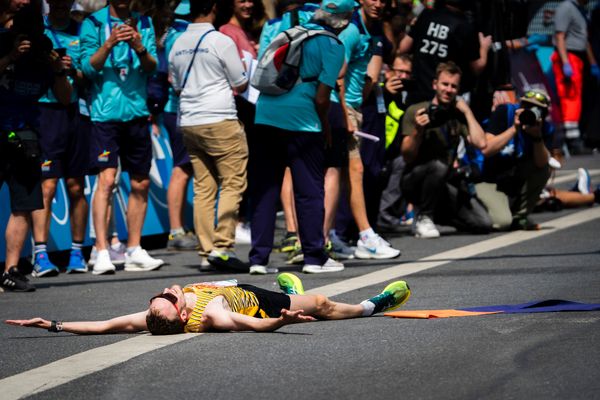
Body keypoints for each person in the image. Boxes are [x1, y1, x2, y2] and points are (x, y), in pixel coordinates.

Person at [248, 0, 350, 274]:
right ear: (345, 20)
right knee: (308, 191)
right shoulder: (333, 45)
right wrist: (326, 127)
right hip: (302, 124)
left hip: (265, 117)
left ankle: (258, 260)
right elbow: (321, 96)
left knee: (265, 190)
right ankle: (314, 258)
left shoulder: (294, 32)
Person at [4, 273, 411, 334]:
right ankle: (372, 305)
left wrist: (52, 323)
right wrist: (283, 320)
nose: (168, 291)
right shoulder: (210, 316)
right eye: (170, 298)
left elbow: (103, 325)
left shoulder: (152, 316)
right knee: (320, 303)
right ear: (182, 315)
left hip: (234, 283)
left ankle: (291, 286)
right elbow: (250, 326)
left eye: (160, 296)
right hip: (259, 303)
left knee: (295, 291)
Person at [80, 0, 163, 274]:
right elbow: (88, 69)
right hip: (105, 115)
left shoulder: (144, 22)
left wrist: (139, 46)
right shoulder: (92, 24)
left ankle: (134, 249)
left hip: (137, 113)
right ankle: (101, 250)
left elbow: (152, 67)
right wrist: (110, 43)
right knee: (105, 181)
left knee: (140, 183)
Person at [169, 0, 249, 272]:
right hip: (219, 118)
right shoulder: (220, 40)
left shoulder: (177, 42)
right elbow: (241, 82)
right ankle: (223, 248)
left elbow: (176, 86)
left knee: (203, 188)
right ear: (214, 6)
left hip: (190, 120)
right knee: (232, 182)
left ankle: (206, 252)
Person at [1, 3, 72, 291]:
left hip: (26, 136)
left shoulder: (45, 51)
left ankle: (11, 270)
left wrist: (58, 71)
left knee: (24, 206)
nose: (30, 39)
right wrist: (10, 55)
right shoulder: (3, 42)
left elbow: (65, 99)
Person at [329, 0, 401, 261]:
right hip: (345, 107)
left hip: (354, 107)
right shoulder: (352, 31)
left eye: (383, 0)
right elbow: (337, 74)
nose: (378, 4)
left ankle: (332, 236)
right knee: (354, 171)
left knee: (343, 175)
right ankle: (366, 236)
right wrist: (346, 114)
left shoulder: (372, 30)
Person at [29, 0, 90, 277]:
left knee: (77, 186)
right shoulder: (36, 29)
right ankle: (40, 253)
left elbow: (90, 73)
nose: (62, 5)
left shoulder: (83, 29)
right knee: (48, 185)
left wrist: (71, 69)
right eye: (57, 1)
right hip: (45, 111)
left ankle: (77, 252)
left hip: (76, 112)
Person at [400, 61, 490, 238]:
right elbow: (407, 157)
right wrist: (418, 131)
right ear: (435, 84)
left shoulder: (457, 113)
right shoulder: (417, 111)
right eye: (445, 84)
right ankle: (423, 215)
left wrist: (467, 112)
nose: (449, 90)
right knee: (438, 166)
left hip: (445, 182)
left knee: (483, 223)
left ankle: (437, 216)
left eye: (453, 86)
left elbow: (481, 144)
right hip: (415, 180)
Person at [146, 0, 200, 252]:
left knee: (186, 167)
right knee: (182, 168)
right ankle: (176, 230)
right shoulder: (181, 34)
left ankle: (181, 229)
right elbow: (164, 75)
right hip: (177, 109)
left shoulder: (173, 32)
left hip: (179, 109)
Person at [475, 89, 553, 231]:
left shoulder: (544, 128)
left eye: (537, 109)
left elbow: (542, 164)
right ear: (519, 104)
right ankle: (482, 207)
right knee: (502, 222)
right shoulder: (504, 113)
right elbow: (486, 150)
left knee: (545, 166)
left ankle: (520, 216)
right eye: (526, 106)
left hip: (513, 179)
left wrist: (537, 137)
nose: (529, 111)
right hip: (488, 179)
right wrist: (514, 129)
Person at [397, 0, 491, 105]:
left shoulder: (427, 14)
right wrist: (484, 47)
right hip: (442, 98)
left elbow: (403, 48)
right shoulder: (465, 27)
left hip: (416, 94)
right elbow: (477, 67)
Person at [551, 0, 600, 154]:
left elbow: (585, 41)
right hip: (568, 56)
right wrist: (565, 63)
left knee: (577, 99)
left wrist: (593, 63)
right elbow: (560, 37)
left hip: (579, 58)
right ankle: (572, 141)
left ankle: (577, 136)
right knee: (569, 98)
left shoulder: (581, 10)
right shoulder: (566, 7)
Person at [376, 54, 413, 231]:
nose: (403, 77)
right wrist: (385, 93)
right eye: (400, 72)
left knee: (402, 161)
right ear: (389, 72)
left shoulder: (407, 97)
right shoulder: (379, 90)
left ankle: (386, 214)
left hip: (392, 152)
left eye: (408, 73)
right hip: (373, 149)